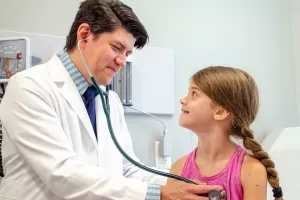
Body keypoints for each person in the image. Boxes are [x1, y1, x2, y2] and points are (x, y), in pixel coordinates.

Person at [0, 0, 223, 199]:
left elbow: (128, 170)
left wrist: (188, 184)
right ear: (84, 34)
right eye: (117, 48)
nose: (122, 61)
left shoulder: (109, 100)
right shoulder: (30, 86)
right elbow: (61, 173)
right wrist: (160, 194)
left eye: (127, 53)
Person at [167, 66, 283, 200]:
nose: (182, 100)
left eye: (194, 94)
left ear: (220, 112)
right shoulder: (179, 168)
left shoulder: (251, 170)